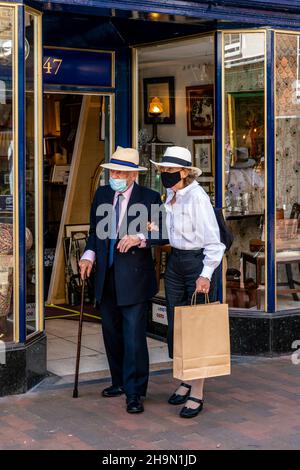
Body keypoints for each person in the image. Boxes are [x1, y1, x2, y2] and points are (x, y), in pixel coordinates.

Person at [79, 146, 167, 414]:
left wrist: (139, 239)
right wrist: (88, 255)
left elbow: (164, 232)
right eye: (112, 171)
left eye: (119, 172)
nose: (113, 176)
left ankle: (135, 391)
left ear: (131, 176)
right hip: (106, 276)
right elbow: (96, 231)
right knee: (112, 333)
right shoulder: (103, 194)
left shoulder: (149, 198)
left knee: (133, 337)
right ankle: (118, 381)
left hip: (135, 279)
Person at [150, 146, 225, 418]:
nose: (164, 175)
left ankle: (198, 392)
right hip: (176, 262)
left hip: (196, 263)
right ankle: (186, 378)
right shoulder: (172, 195)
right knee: (178, 325)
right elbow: (173, 231)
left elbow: (214, 243)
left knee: (197, 327)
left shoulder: (197, 198)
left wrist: (205, 275)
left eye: (169, 170)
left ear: (184, 172)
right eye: (162, 170)